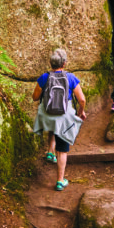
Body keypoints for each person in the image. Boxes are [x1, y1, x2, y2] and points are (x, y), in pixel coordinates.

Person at [32, 48, 87, 191]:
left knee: (53, 124)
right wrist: (81, 112)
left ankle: (50, 152)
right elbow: (82, 99)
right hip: (63, 116)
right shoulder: (70, 78)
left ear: (51, 63)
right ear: (64, 63)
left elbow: (35, 97)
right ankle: (60, 181)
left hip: (47, 116)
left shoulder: (44, 77)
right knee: (62, 150)